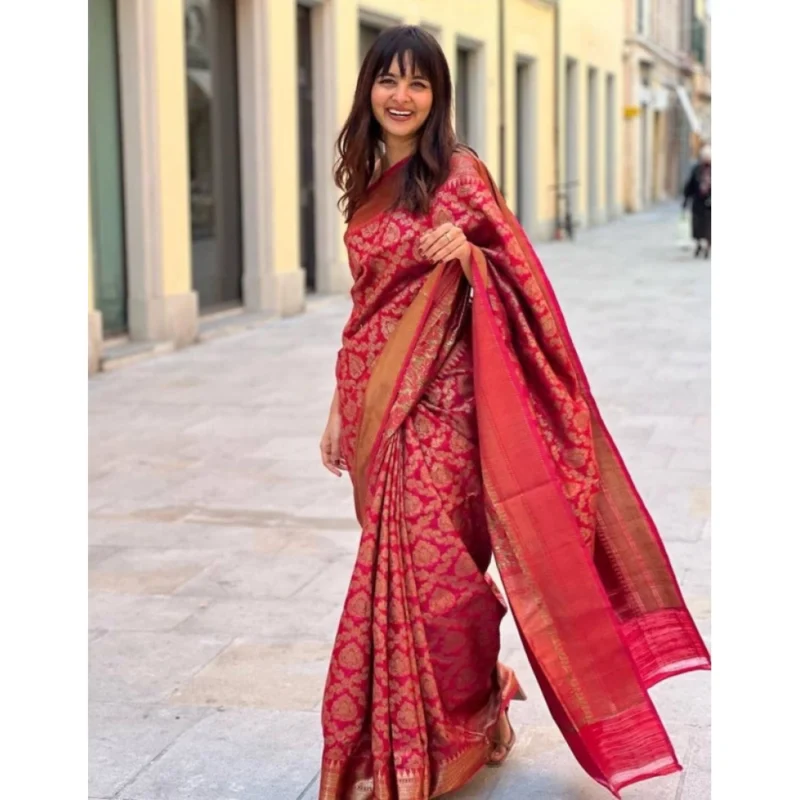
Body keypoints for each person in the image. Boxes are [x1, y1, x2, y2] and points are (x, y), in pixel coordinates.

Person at [318, 25, 710, 800]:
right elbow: (365, 307)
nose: (401, 95)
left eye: (418, 82)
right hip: (376, 405)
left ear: (438, 96)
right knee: (389, 576)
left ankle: (472, 714)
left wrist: (470, 257)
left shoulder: (460, 176)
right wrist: (338, 407)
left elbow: (521, 273)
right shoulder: (364, 183)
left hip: (449, 408)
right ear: (369, 90)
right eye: (389, 80)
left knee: (438, 582)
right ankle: (438, 725)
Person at [682, 143, 711, 258]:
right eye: (705, 156)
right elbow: (690, 185)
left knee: (709, 226)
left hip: (711, 204)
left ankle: (708, 246)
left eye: (708, 157)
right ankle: (699, 244)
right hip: (698, 202)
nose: (706, 159)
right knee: (697, 225)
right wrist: (686, 200)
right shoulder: (697, 169)